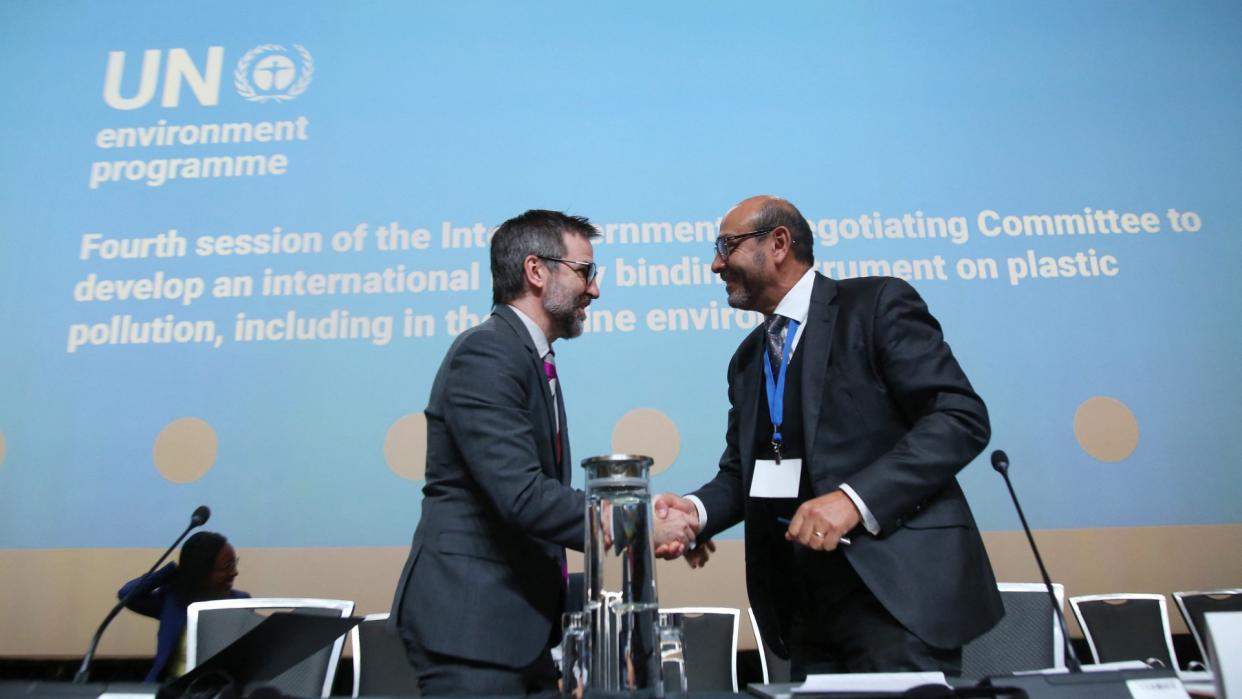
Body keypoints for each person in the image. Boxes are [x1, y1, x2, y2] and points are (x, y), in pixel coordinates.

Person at [655, 195, 1003, 676]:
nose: (716, 263)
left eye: (727, 246)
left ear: (778, 243)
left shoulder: (877, 304)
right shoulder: (748, 357)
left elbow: (960, 416)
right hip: (804, 609)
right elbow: (744, 474)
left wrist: (853, 500)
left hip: (896, 599)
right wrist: (694, 513)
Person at [389, 209, 696, 696]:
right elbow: (523, 496)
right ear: (536, 271)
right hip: (473, 629)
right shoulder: (487, 353)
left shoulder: (528, 357)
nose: (594, 290)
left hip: (517, 630)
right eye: (585, 272)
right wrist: (638, 524)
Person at [117, 531, 248, 682]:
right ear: (202, 570)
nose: (234, 572)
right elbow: (126, 594)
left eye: (234, 564)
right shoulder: (173, 602)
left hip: (217, 690)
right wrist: (171, 571)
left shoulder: (240, 603)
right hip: (170, 688)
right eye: (227, 566)